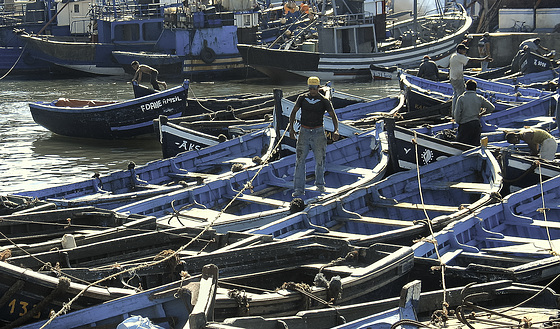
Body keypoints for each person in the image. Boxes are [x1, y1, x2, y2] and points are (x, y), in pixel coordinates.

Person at [288, 76, 339, 197]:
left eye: (314, 88)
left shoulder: (324, 101)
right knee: (300, 160)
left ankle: (320, 185)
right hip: (304, 132)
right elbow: (293, 112)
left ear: (318, 88)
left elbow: (333, 116)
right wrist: (291, 129)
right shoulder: (302, 98)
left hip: (318, 133)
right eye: (310, 88)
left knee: (320, 160)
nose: (312, 91)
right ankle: (299, 189)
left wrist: (336, 130)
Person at [449, 44, 492, 115]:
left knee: (455, 95)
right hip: (457, 78)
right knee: (460, 96)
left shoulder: (453, 55)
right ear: (459, 50)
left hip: (452, 78)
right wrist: (483, 59)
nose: (465, 51)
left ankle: (454, 112)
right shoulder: (459, 56)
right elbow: (471, 60)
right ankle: (458, 113)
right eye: (463, 50)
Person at [453, 79, 495, 146]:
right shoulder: (479, 98)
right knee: (474, 146)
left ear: (466, 88)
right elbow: (491, 107)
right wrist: (481, 114)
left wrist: (458, 122)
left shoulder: (462, 98)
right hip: (476, 124)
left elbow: (457, 114)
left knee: (460, 145)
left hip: (465, 125)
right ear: (475, 88)